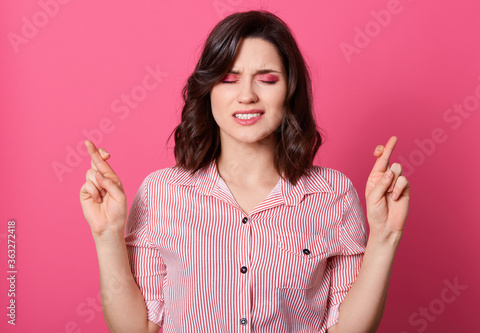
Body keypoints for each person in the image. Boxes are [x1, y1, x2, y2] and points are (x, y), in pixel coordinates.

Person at [80, 10, 410, 333]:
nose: (247, 95)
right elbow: (138, 328)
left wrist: (386, 235)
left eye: (267, 79)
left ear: (290, 90)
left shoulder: (332, 194)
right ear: (208, 90)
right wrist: (107, 235)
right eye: (228, 79)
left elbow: (346, 329)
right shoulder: (161, 193)